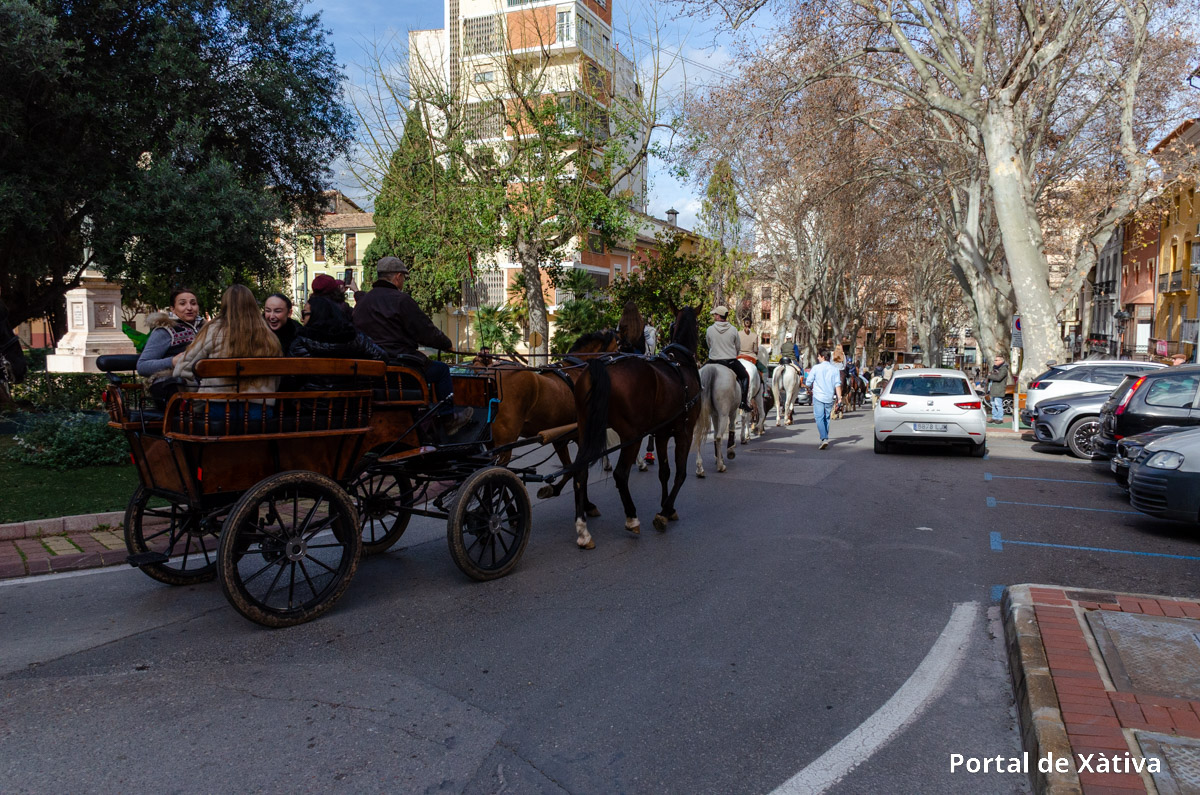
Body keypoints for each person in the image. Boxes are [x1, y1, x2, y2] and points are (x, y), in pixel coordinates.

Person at [353, 255, 472, 435]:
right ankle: (448, 419)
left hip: (372, 371)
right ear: (398, 277)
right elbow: (425, 330)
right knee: (441, 371)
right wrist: (446, 344)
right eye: (403, 278)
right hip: (400, 368)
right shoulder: (400, 300)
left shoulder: (363, 303)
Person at [173, 285, 283, 415]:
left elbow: (182, 370)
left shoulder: (213, 331)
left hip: (218, 407)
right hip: (260, 410)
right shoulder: (268, 336)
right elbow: (277, 378)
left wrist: (197, 400)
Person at [288, 295, 387, 390]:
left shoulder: (301, 343)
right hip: (354, 398)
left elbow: (290, 379)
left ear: (316, 315)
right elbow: (381, 357)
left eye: (304, 314)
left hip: (311, 399)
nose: (301, 319)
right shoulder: (357, 339)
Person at [137, 288, 204, 382]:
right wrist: (172, 361)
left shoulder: (207, 328)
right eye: (182, 304)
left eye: (193, 303)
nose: (189, 308)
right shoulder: (165, 331)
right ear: (173, 309)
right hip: (176, 383)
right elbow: (142, 366)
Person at [705, 305, 750, 411]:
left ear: (718, 316)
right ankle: (743, 402)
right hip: (730, 362)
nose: (714, 316)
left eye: (715, 314)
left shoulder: (710, 329)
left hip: (713, 361)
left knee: (698, 376)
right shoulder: (733, 330)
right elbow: (738, 347)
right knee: (745, 376)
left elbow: (709, 345)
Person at [806, 349, 843, 449]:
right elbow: (837, 385)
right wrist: (839, 398)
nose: (818, 358)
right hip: (829, 397)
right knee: (826, 418)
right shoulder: (835, 369)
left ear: (822, 357)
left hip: (818, 396)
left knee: (819, 418)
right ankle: (825, 438)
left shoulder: (816, 368)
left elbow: (808, 382)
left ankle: (824, 438)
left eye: (818, 356)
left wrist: (808, 386)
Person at [986, 354, 1010, 424]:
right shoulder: (994, 368)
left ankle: (1000, 418)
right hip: (992, 388)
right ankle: (994, 417)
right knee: (993, 404)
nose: (995, 361)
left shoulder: (1003, 369)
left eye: (996, 360)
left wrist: (990, 376)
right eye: (995, 360)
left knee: (998, 404)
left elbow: (998, 378)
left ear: (1001, 361)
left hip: (999, 389)